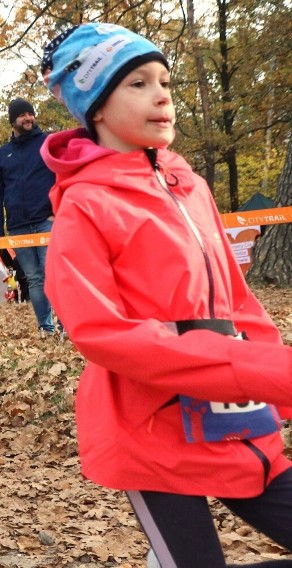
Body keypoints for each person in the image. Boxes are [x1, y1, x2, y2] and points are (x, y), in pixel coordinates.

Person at [40, 22, 292, 565]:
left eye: (166, 82)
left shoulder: (192, 186)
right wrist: (260, 370)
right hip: (149, 427)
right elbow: (102, 334)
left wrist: (275, 384)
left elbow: (239, 303)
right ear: (97, 107)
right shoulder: (84, 208)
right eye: (137, 83)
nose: (161, 95)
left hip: (234, 415)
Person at [0, 97, 59, 337]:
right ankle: (46, 327)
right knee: (35, 279)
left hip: (46, 222)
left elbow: (64, 175)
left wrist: (58, 210)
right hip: (18, 227)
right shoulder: (1, 156)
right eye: (23, 115)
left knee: (53, 274)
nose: (28, 118)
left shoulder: (48, 142)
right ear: (13, 121)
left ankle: (67, 325)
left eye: (31, 114)